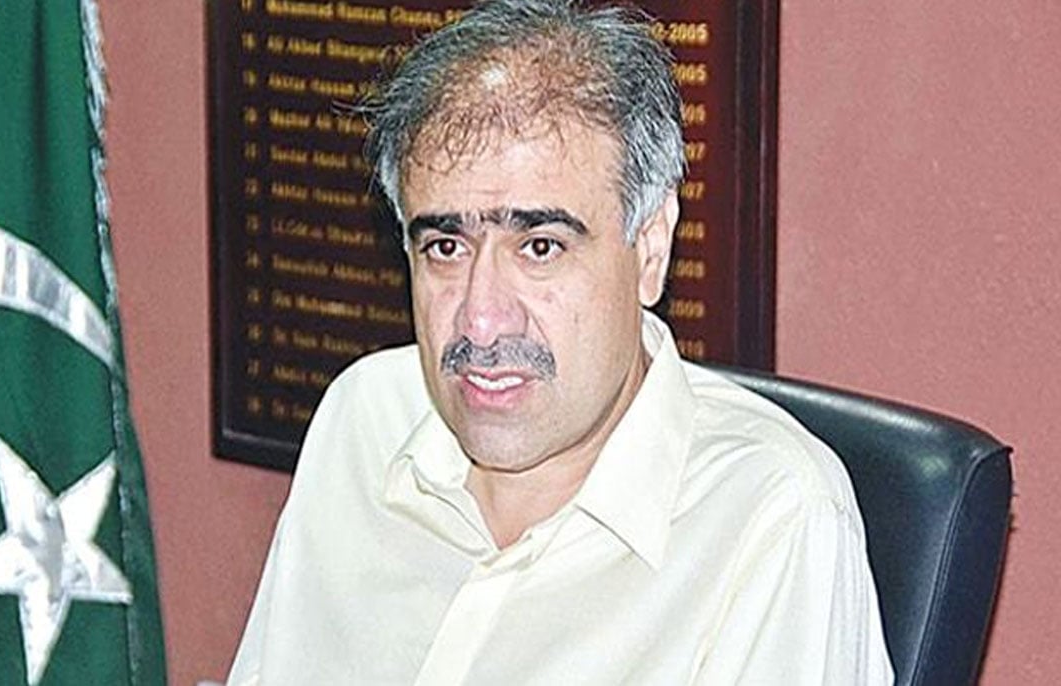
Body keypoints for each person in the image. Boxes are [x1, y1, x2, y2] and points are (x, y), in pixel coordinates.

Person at [227, 0, 893, 683]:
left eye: (540, 247)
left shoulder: (770, 517)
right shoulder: (365, 417)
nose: (481, 321)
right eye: (446, 247)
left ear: (651, 247)